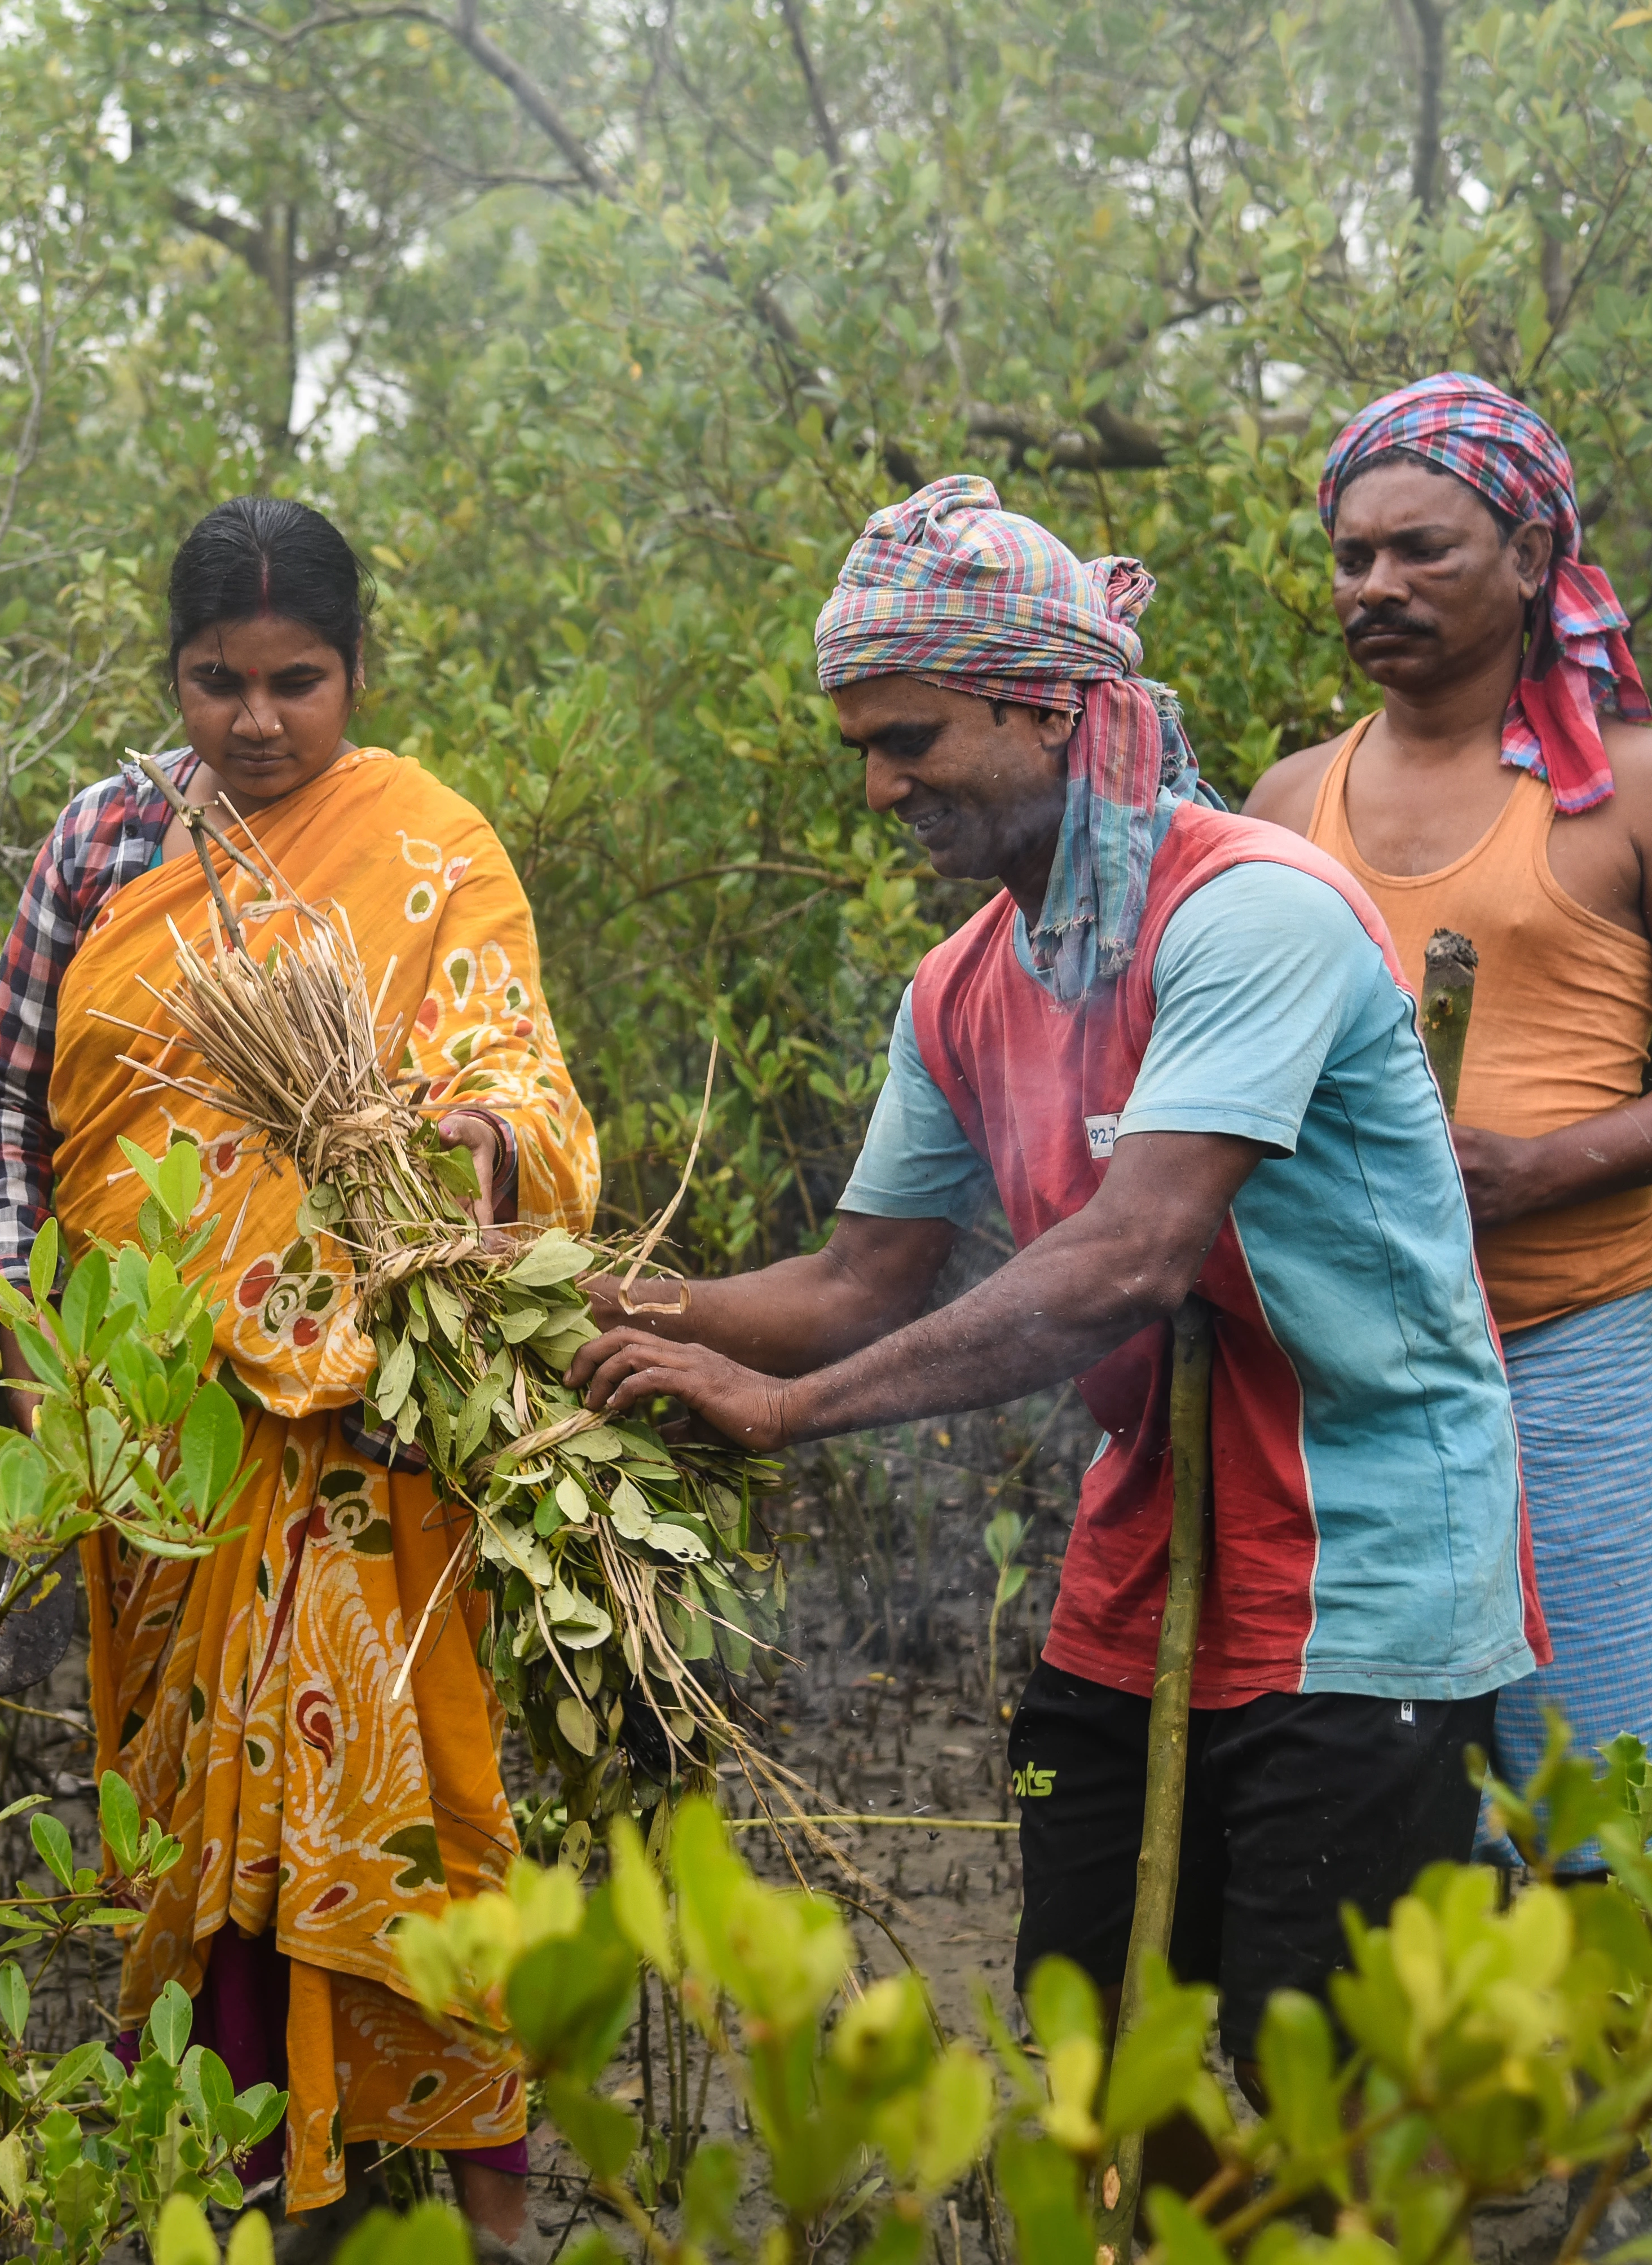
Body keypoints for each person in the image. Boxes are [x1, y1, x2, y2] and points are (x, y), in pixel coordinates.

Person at [565, 477, 1540, 2163]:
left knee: (1329, 2075)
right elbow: (858, 1278)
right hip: (1146, 1559)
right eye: (861, 747)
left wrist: (789, 1413)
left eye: (910, 738)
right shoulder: (961, 984)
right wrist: (600, 1311)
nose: (880, 787)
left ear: (1042, 707)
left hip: (1364, 1570)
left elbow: (1127, 1260)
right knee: (1095, 2022)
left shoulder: (1254, 916)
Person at [0, 497, 597, 2254]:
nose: (255, 721)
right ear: (169, 676)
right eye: (216, 681)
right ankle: (244, 2205)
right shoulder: (105, 842)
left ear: (357, 671)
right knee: (195, 1832)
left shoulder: (428, 841)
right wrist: (29, 1328)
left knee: (429, 1818)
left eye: (295, 683)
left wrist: (460, 1143)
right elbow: (1, 1094)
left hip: (373, 1426)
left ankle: (483, 2218)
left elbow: (524, 1091)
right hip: (160, 1430)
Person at [1241, 373, 1652, 1855]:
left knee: (1626, 1803)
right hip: (1351, 1372)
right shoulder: (1289, 800)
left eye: (1423, 550)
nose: (1379, 586)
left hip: (1574, 1351)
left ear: (1533, 558)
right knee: (1379, 1803)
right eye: (1355, 557)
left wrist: (1545, 1169)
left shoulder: (1642, 793)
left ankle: (1617, 2086)